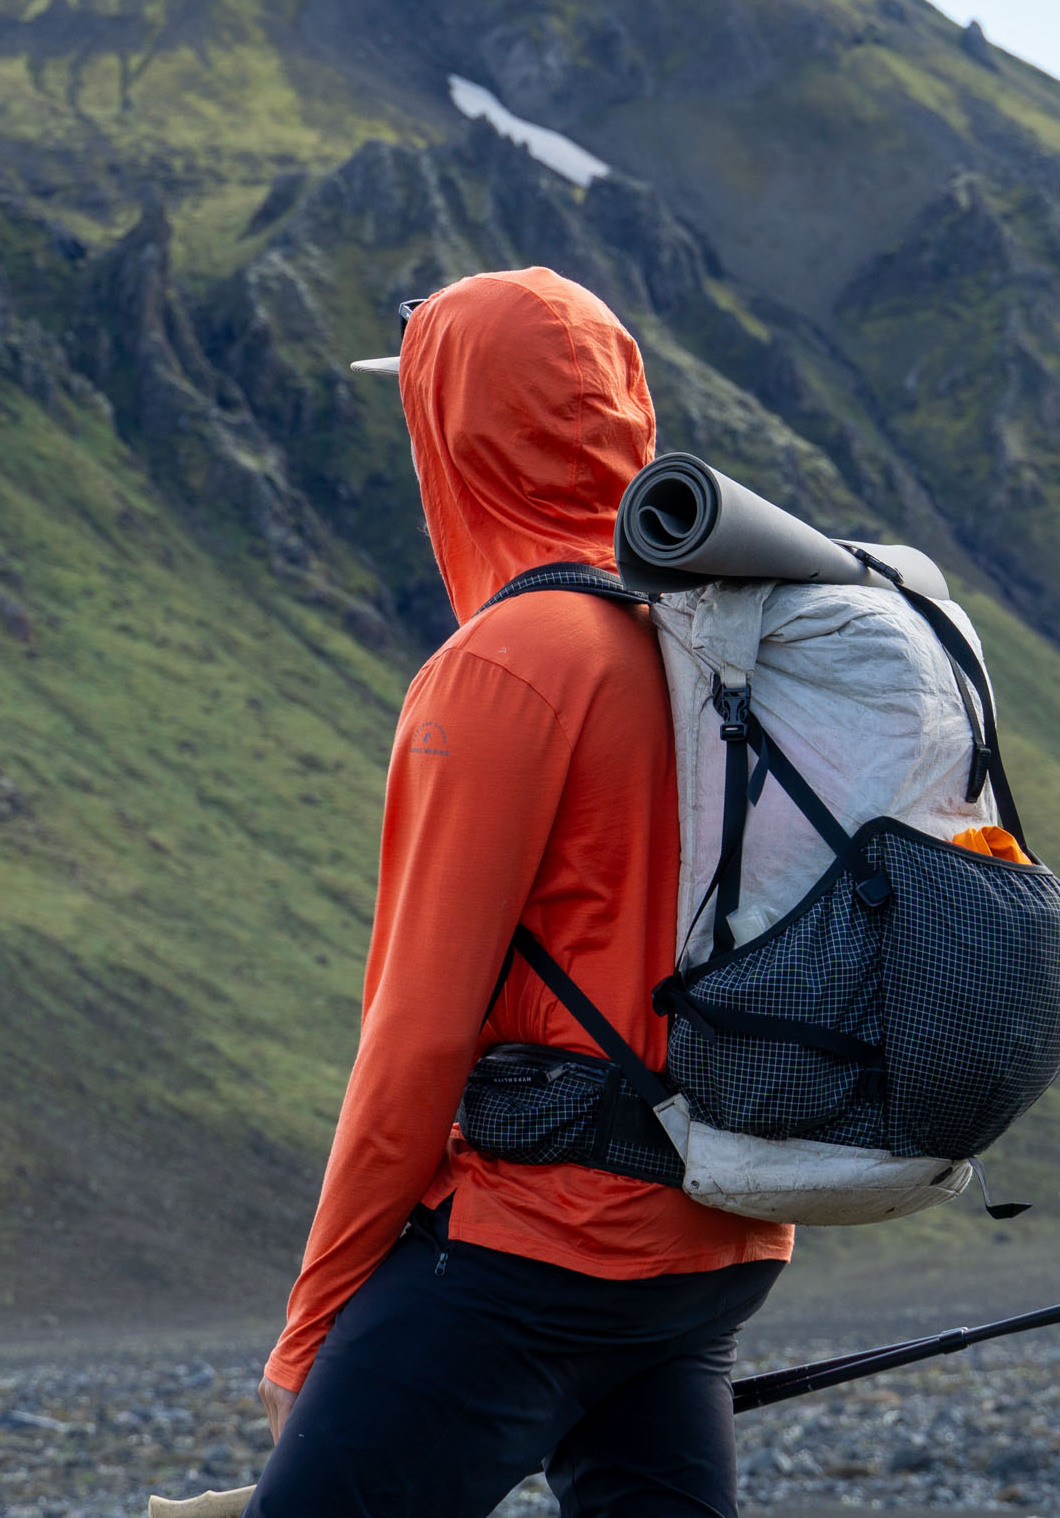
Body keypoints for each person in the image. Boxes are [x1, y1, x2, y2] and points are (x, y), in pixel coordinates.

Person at [251, 268, 792, 1518]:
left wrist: (314, 1324)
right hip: (713, 1236)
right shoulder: (713, 630)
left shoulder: (505, 665)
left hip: (544, 1248)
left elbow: (419, 1033)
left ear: (457, 429)